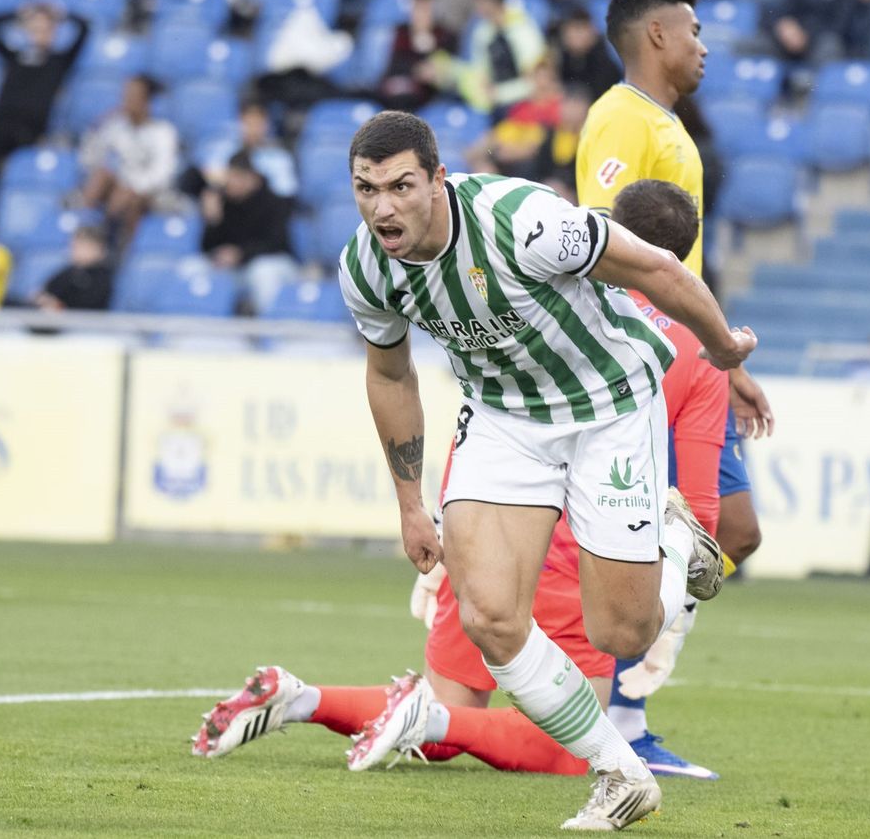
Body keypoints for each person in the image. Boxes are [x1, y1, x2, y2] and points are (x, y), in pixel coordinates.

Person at [193, 179, 730, 784]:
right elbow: (706, 502)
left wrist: (440, 522)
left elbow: (490, 415)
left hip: (483, 530)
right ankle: (427, 721)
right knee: (559, 746)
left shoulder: (531, 285)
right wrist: (675, 586)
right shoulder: (687, 349)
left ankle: (301, 698)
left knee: (457, 703)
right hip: (580, 557)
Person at [328, 112, 752, 830]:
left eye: (402, 185)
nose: (383, 207)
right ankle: (620, 773)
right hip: (504, 417)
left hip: (607, 403)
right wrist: (409, 503)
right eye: (366, 189)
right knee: (491, 615)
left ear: (438, 179)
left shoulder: (523, 220)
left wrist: (724, 348)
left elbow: (654, 266)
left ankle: (676, 542)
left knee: (622, 634)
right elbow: (390, 375)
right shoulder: (366, 268)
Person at [575, 0, 773, 781]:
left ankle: (621, 701)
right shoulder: (621, 118)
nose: (703, 45)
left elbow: (677, 259)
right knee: (680, 533)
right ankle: (623, 717)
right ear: (655, 36)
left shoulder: (667, 124)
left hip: (692, 359)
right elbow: (604, 245)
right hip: (646, 359)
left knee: (735, 532)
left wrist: (725, 355)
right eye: (693, 29)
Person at [0, 3, 89, 211]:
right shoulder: (16, 57)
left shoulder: (59, 61)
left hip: (28, 129)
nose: (40, 34)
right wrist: (19, 13)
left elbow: (84, 29)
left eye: (45, 29)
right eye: (35, 29)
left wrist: (61, 14)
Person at [79, 75, 178, 245]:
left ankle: (114, 245)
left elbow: (162, 176)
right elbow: (89, 161)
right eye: (126, 94)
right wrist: (96, 129)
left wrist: (131, 185)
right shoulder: (114, 127)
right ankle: (81, 228)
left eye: (133, 95)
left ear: (147, 101)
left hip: (148, 194)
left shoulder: (163, 132)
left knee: (125, 197)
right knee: (101, 176)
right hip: (116, 187)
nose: (127, 100)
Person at [200, 151, 296, 312]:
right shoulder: (223, 202)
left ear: (253, 178)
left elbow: (277, 243)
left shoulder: (274, 202)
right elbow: (206, 247)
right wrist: (213, 220)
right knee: (193, 268)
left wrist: (240, 254)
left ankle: (269, 330)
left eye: (237, 176)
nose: (231, 182)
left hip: (271, 263)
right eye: (230, 176)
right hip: (233, 270)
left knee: (262, 272)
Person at [459, 0, 546, 119]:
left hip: (524, 102)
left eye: (480, 2)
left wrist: (499, 94)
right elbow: (480, 72)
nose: (477, 8)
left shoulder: (523, 30)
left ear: (493, 1)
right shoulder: (482, 32)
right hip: (494, 103)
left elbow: (537, 80)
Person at [377, 0, 457, 112]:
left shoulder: (445, 36)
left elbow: (450, 69)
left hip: (429, 96)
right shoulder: (402, 32)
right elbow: (393, 66)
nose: (420, 15)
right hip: (399, 91)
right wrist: (416, 69)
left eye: (425, 9)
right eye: (417, 8)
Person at [34, 225, 113, 311]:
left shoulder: (103, 277)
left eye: (83, 246)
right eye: (74, 246)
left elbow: (89, 305)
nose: (76, 251)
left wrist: (59, 305)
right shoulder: (69, 272)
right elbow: (46, 290)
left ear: (99, 249)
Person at [553, 6, 620, 101]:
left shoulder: (606, 67)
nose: (577, 36)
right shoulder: (557, 63)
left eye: (581, 29)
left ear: (592, 31)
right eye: (573, 29)